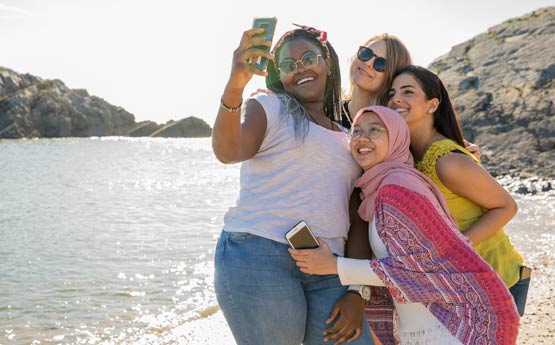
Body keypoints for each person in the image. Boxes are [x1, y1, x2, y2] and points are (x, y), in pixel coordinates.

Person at [289, 105, 520, 344]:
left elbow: (416, 270)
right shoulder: (375, 191)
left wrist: (333, 265)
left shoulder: (398, 187)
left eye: (375, 130)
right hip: (423, 330)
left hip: (450, 329)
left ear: (397, 139)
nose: (362, 137)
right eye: (356, 131)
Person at [211, 23, 375, 345]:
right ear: (279, 75)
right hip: (259, 253)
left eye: (308, 58)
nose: (300, 69)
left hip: (328, 264)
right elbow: (228, 152)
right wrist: (236, 84)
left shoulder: (349, 134)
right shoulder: (270, 107)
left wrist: (358, 290)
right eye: (288, 65)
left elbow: (359, 219)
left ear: (327, 61)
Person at [387, 65, 530, 316]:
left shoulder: (446, 160)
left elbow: (507, 206)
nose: (396, 98)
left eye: (408, 91)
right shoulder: (410, 157)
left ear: (432, 105)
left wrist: (455, 249)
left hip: (498, 279)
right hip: (462, 284)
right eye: (392, 92)